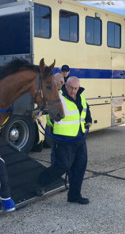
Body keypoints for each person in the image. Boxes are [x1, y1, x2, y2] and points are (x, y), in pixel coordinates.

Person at [38, 76, 92, 204]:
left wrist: (89, 120)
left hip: (79, 138)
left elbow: (86, 108)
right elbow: (47, 111)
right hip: (63, 139)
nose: (73, 91)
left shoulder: (81, 95)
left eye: (76, 88)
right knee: (62, 166)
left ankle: (74, 195)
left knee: (80, 168)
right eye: (71, 88)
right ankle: (39, 182)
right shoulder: (58, 96)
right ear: (65, 85)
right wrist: (41, 113)